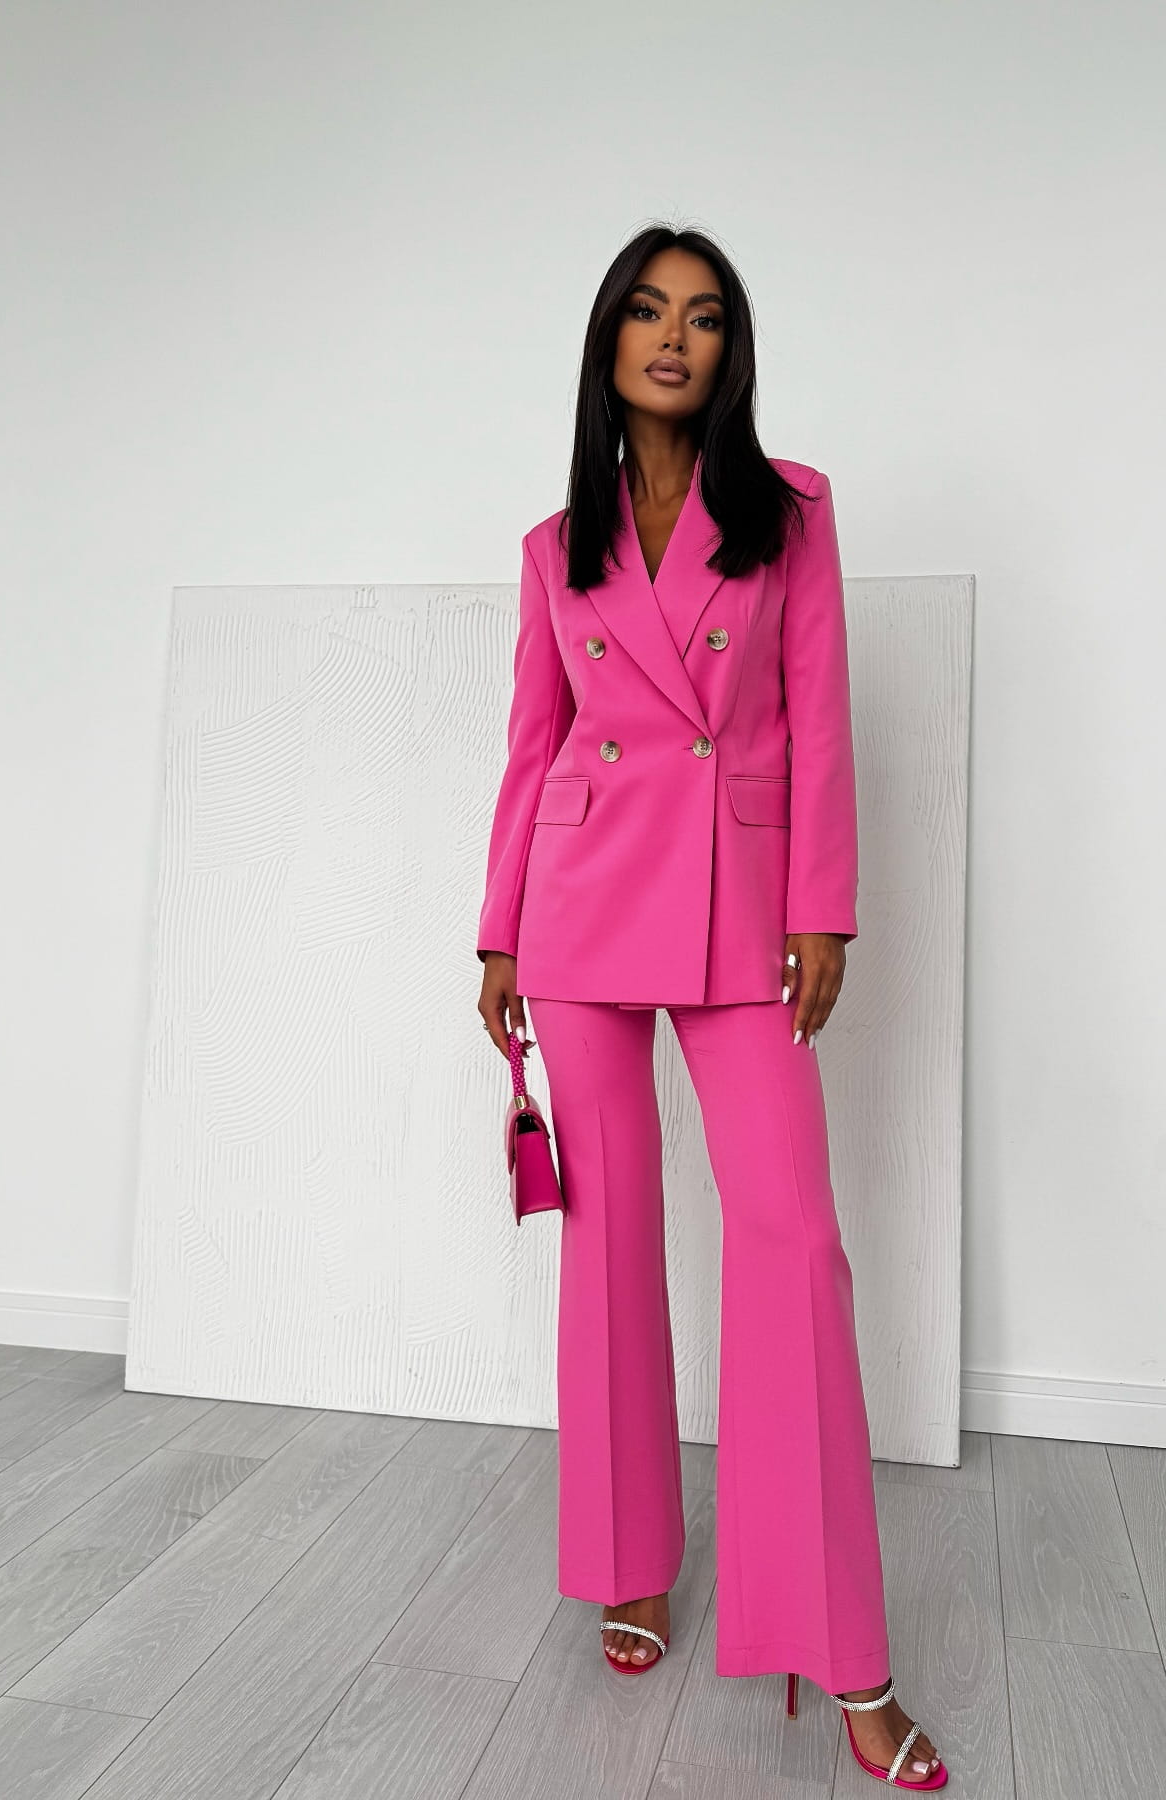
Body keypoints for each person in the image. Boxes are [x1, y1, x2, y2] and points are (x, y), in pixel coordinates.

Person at [475, 224, 947, 1791]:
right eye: (648, 311)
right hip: (578, 911)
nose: (675, 336)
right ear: (609, 343)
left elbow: (819, 715)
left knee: (794, 1243)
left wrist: (824, 907)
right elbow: (533, 745)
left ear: (732, 352)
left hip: (746, 912)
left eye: (706, 316)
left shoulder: (789, 512)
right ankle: (628, 1559)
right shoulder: (557, 545)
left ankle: (846, 1652)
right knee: (609, 1236)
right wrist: (497, 935)